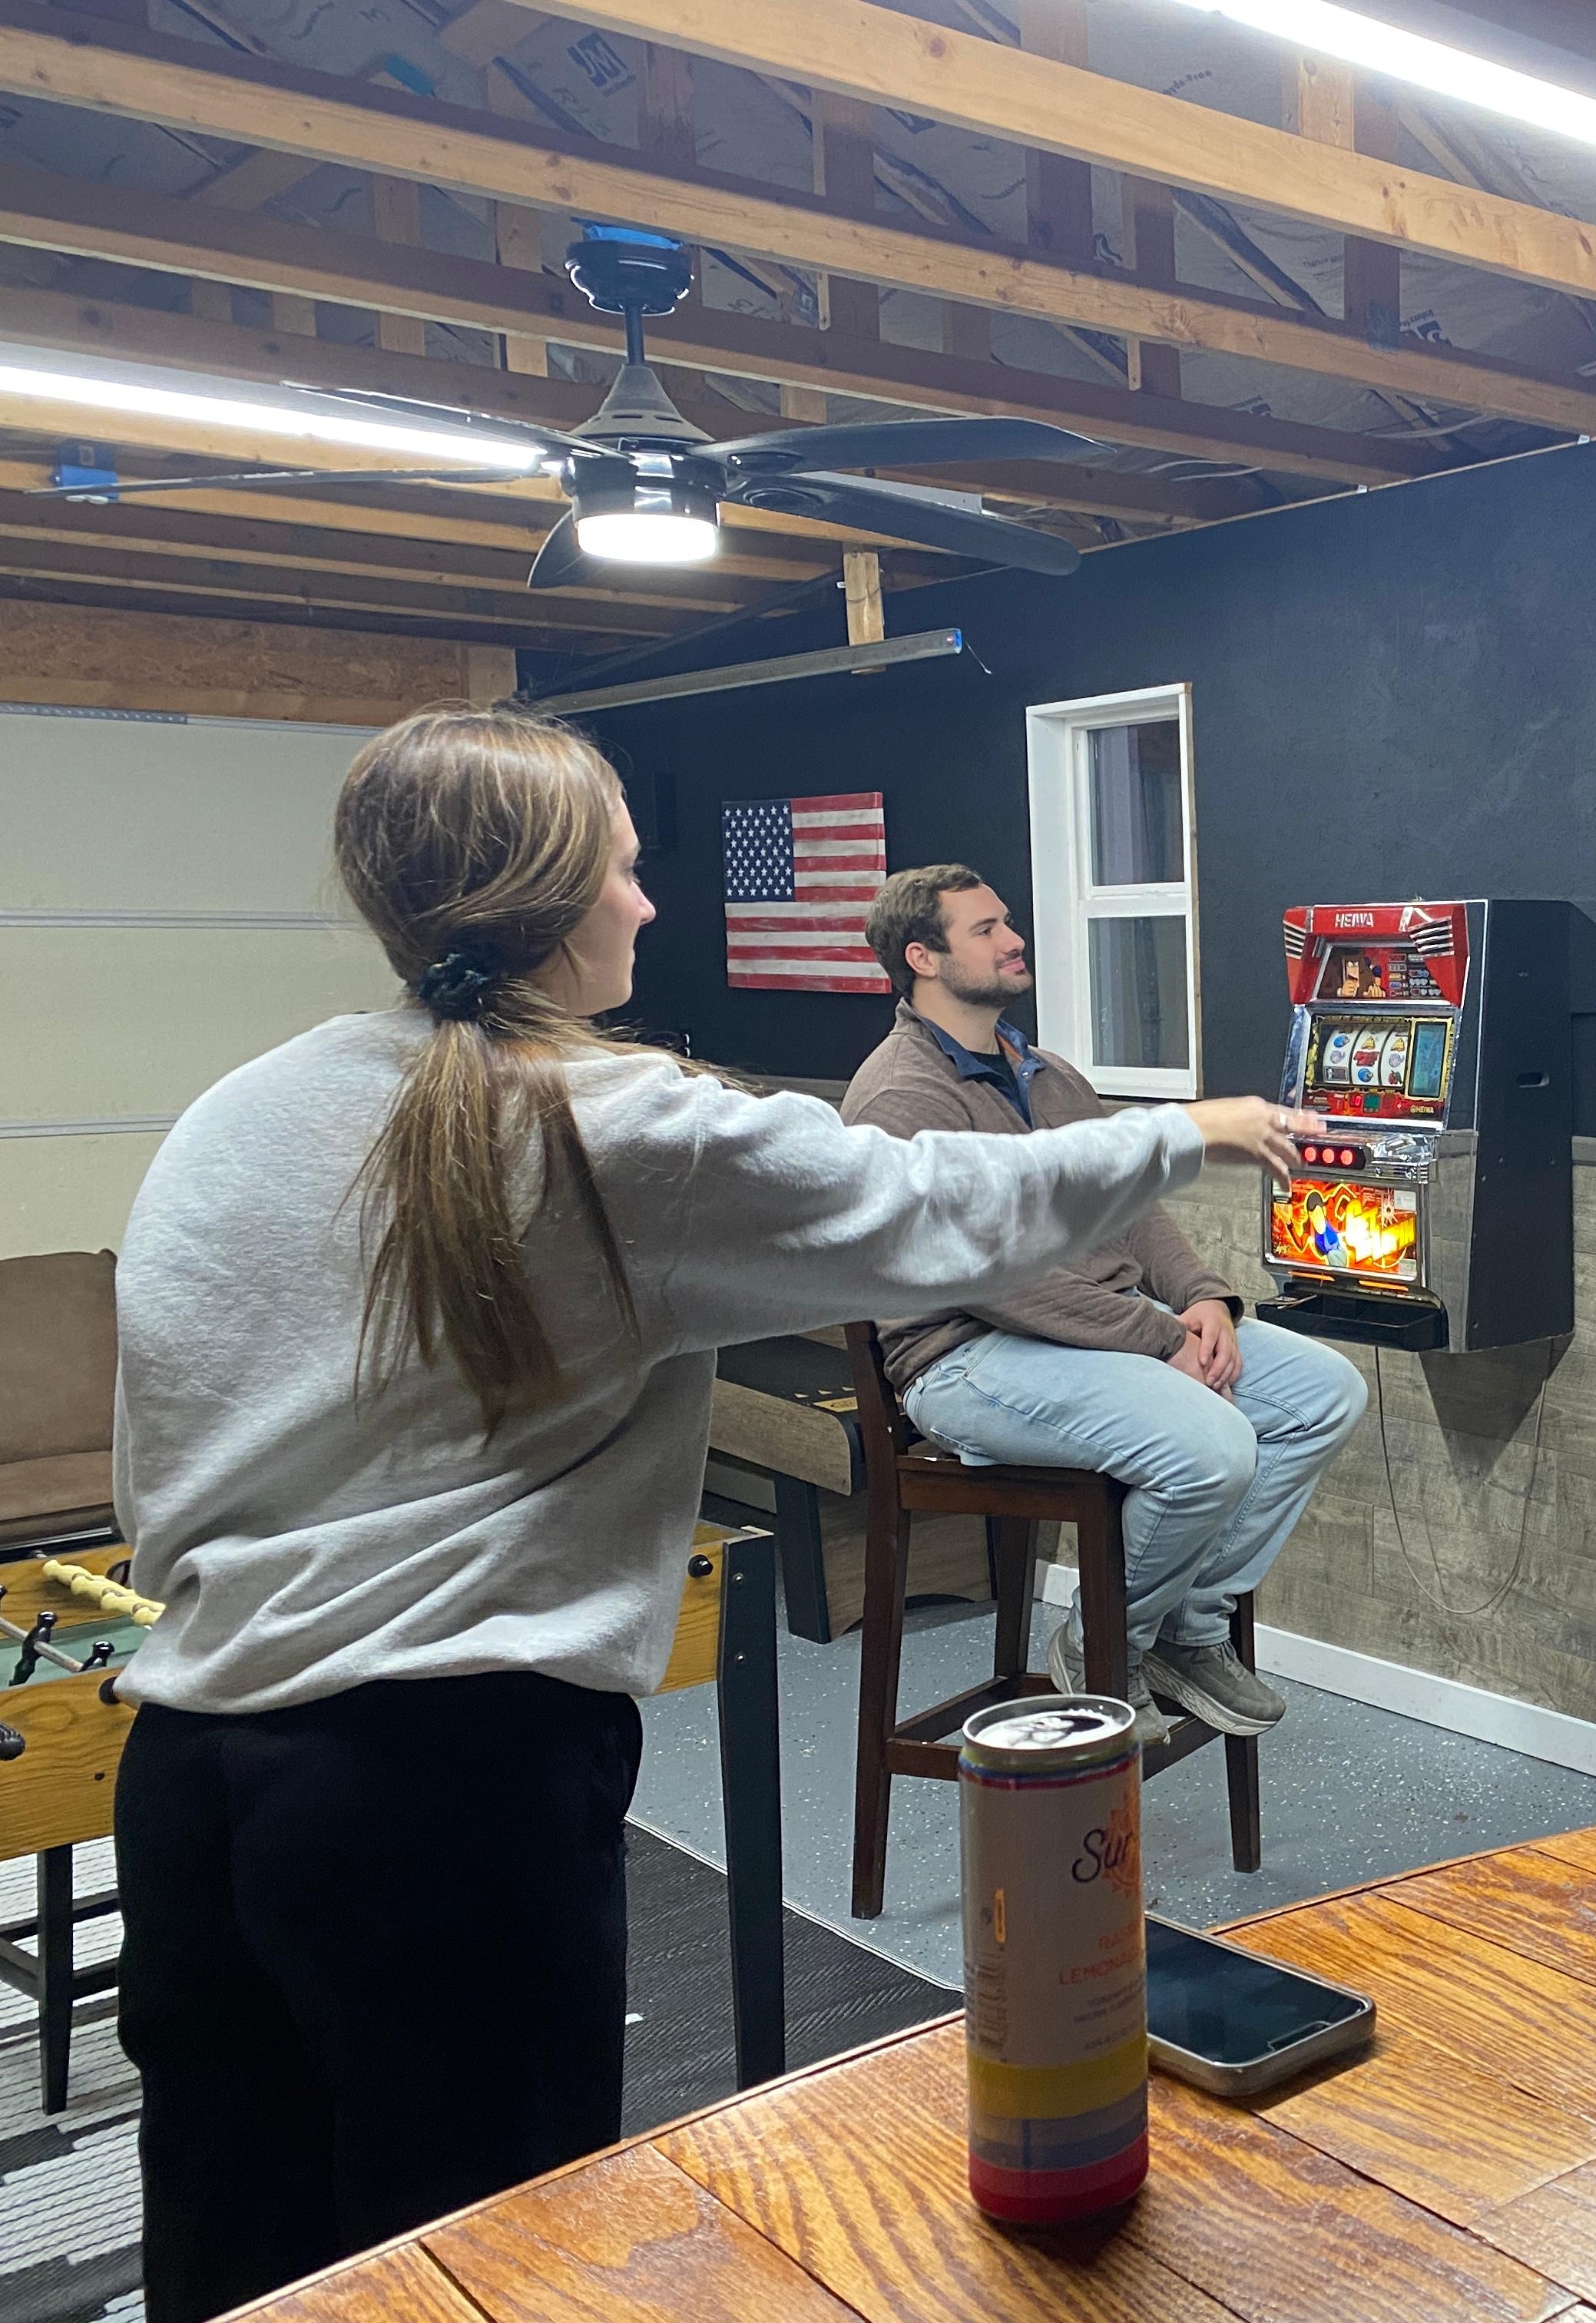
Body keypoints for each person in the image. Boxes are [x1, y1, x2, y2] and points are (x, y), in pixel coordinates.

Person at [107, 709, 1313, 2323]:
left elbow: (157, 1455)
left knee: (235, 2260)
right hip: (447, 1791)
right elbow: (934, 1213)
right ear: (549, 894)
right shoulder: (618, 1127)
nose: (648, 904)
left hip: (187, 1773)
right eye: (622, 865)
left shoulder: (239, 1111)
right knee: (490, 2269)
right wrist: (1197, 1130)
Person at [842, 865, 1367, 1743]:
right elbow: (983, 1272)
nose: (1014, 941)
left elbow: (1131, 1205)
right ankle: (1103, 1642)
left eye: (1008, 921)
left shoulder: (1045, 1071)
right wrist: (1155, 1338)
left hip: (1104, 1332)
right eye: (985, 930)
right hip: (962, 1356)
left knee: (1324, 1394)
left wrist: (1202, 1302)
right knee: (1210, 1446)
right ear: (921, 957)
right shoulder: (902, 1092)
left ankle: (1184, 1634)